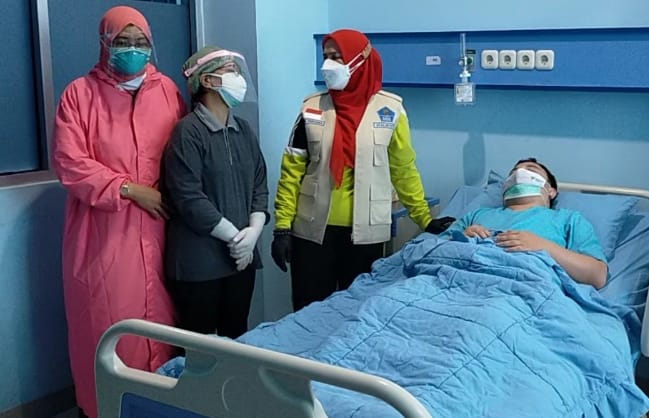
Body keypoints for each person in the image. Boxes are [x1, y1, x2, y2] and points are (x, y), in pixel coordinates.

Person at [52, 5, 186, 418]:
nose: (132, 49)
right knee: (108, 325)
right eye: (122, 41)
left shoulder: (167, 91)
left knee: (161, 324)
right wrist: (128, 189)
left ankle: (157, 407)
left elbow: (184, 153)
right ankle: (104, 409)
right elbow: (69, 162)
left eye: (140, 41)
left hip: (161, 228)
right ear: (104, 43)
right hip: (103, 233)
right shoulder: (80, 95)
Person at [271, 29, 455, 311]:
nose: (328, 65)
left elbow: (403, 170)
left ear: (360, 60)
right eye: (325, 56)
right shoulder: (312, 108)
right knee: (308, 311)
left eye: (336, 57)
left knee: (356, 313)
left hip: (366, 235)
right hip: (312, 232)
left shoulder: (391, 110)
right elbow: (291, 171)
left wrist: (424, 219)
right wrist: (282, 227)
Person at [162, 46, 268, 339]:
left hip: (240, 261)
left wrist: (253, 232)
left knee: (236, 339)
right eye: (231, 71)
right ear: (207, 81)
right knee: (201, 349)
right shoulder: (188, 132)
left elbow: (259, 184)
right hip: (199, 265)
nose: (239, 78)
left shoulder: (243, 130)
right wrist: (235, 237)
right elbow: (188, 197)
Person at [440, 158, 608, 289]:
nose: (520, 173)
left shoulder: (568, 219)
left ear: (551, 191)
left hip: (523, 288)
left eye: (531, 170)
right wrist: (459, 240)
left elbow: (597, 276)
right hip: (457, 279)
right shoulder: (477, 214)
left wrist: (543, 246)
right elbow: (431, 249)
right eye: (513, 172)